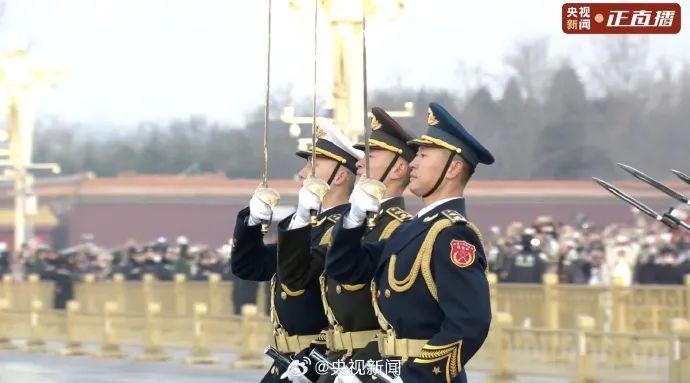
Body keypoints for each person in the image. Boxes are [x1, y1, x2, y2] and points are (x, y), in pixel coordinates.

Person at [327, 103, 494, 383]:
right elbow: (346, 269)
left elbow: (470, 323)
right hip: (389, 370)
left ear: (452, 168)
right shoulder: (410, 229)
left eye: (425, 155)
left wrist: (415, 377)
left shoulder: (452, 234)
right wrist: (354, 218)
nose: (413, 163)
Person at [280, 108, 417, 383]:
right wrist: (302, 218)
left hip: (377, 367)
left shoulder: (401, 229)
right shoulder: (353, 225)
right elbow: (296, 278)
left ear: (399, 168)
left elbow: (408, 318)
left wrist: (367, 365)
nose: (360, 163)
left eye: (372, 155)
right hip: (338, 363)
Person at [231, 118, 362, 383]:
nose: (302, 174)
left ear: (338, 176)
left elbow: (300, 275)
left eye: (313, 166)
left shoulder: (344, 230)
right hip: (288, 361)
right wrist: (253, 223)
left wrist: (301, 220)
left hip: (321, 361)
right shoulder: (311, 228)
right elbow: (249, 266)